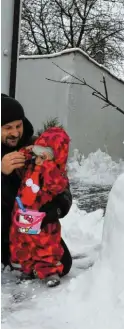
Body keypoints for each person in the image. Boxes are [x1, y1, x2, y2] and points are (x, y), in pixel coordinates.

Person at [1, 94, 72, 278]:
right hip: (4, 224)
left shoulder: (37, 146)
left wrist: (54, 210)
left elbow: (63, 187)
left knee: (64, 263)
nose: (15, 132)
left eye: (19, 125)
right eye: (8, 128)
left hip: (33, 224)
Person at [10, 127, 70, 287]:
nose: (38, 158)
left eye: (44, 154)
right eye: (38, 152)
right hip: (23, 211)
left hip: (42, 217)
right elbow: (21, 159)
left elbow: (57, 186)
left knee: (45, 245)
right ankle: (27, 268)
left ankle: (49, 271)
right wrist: (28, 152)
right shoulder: (30, 164)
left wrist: (48, 166)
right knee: (22, 241)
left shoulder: (56, 171)